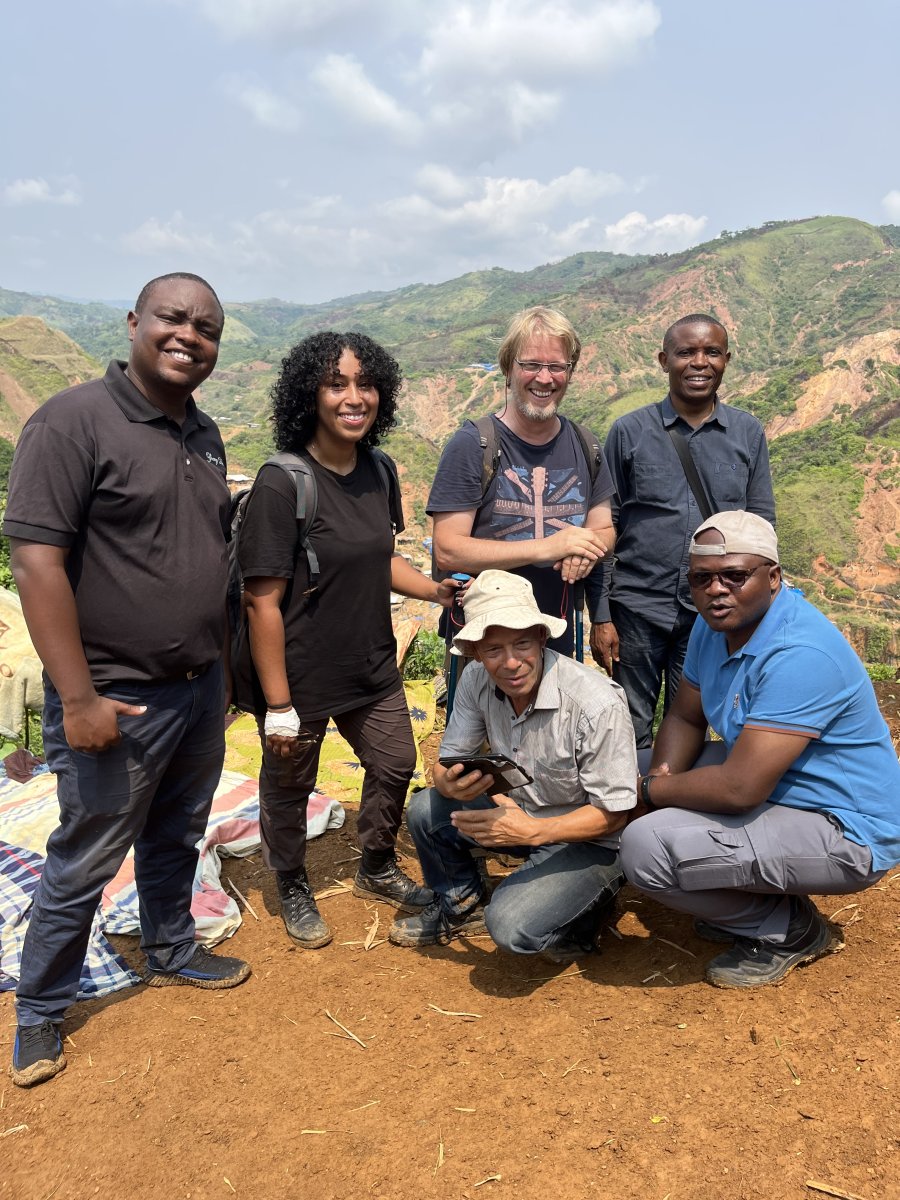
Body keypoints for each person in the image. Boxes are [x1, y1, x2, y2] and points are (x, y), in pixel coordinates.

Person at [4, 273, 249, 1089]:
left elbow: (207, 560)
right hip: (115, 693)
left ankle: (171, 947)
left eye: (206, 328)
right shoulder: (71, 422)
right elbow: (36, 562)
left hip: (198, 687)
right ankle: (40, 1009)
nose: (189, 336)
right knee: (88, 854)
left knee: (177, 831)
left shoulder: (203, 432)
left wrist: (222, 676)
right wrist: (78, 698)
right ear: (135, 321)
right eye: (173, 319)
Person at [235, 332, 458, 950]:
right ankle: (291, 882)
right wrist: (278, 705)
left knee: (395, 763)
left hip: (370, 665)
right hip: (300, 675)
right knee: (289, 786)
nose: (354, 397)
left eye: (365, 384)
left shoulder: (379, 470)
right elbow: (261, 601)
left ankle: (375, 864)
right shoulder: (283, 483)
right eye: (336, 384)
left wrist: (433, 591)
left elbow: (379, 557)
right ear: (310, 395)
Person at [620, 511, 900, 989]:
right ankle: (749, 896)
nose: (716, 590)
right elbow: (685, 716)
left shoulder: (800, 653)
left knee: (647, 847)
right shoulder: (713, 628)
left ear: (772, 577)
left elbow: (739, 789)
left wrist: (652, 792)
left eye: (735, 575)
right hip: (784, 785)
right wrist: (659, 777)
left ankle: (787, 928)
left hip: (846, 827)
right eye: (702, 578)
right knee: (629, 768)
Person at [389, 570, 637, 960]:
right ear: (475, 652)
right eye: (493, 650)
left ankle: (589, 907)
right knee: (427, 809)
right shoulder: (475, 680)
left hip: (591, 840)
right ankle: (461, 903)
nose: (510, 663)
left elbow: (616, 813)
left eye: (521, 644)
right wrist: (449, 782)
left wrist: (534, 831)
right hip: (519, 815)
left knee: (510, 925)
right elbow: (447, 763)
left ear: (541, 637)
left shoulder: (595, 703)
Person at [593, 314, 775, 746]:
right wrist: (601, 615)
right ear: (664, 360)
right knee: (626, 726)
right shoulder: (629, 431)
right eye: (686, 352)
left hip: (711, 615)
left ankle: (673, 793)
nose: (699, 362)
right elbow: (604, 525)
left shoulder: (747, 433)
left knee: (691, 727)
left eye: (711, 352)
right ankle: (629, 793)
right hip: (636, 608)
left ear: (726, 359)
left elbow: (761, 527)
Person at [427, 306, 616, 655]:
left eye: (557, 366)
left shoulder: (585, 444)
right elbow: (448, 549)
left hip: (558, 632)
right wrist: (550, 547)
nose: (544, 378)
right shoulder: (473, 445)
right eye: (530, 364)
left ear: (570, 372)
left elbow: (604, 530)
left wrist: (584, 549)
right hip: (486, 643)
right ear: (508, 368)